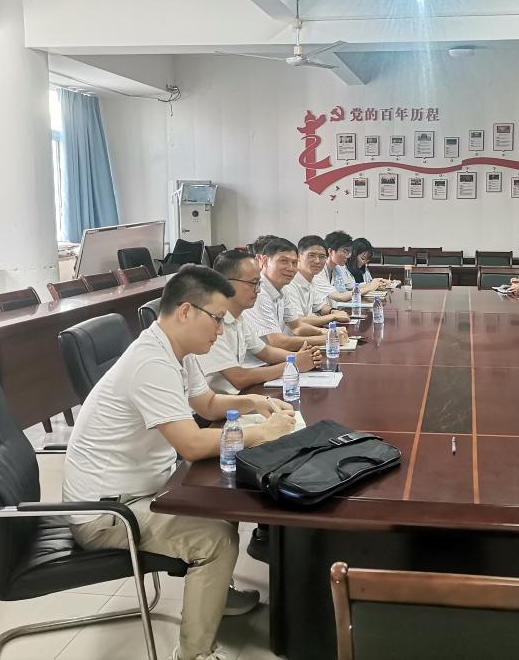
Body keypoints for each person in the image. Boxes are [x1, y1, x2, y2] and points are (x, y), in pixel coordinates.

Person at [62, 265, 296, 660]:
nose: (220, 330)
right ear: (186, 311)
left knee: (223, 498)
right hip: (106, 513)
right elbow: (190, 444)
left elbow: (207, 403)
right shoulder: (150, 362)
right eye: (216, 319)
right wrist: (262, 433)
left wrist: (253, 402)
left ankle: (215, 592)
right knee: (215, 539)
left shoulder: (175, 350)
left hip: (143, 487)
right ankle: (194, 654)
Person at [203, 250, 326, 394]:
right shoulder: (210, 322)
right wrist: (293, 364)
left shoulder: (238, 318)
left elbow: (265, 352)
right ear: (225, 283)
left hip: (238, 396)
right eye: (253, 283)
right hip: (218, 403)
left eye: (259, 283)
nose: (258, 290)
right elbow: (239, 378)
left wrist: (299, 357)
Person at [285, 235, 351, 330]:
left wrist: (333, 311)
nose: (317, 261)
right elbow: (298, 321)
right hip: (295, 337)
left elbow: (320, 306)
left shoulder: (310, 280)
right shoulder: (289, 283)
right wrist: (333, 316)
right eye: (311, 255)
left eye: (322, 257)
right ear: (298, 256)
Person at [313, 230, 387, 304]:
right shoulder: (318, 272)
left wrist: (376, 283)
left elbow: (351, 287)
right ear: (330, 251)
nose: (348, 256)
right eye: (345, 251)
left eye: (349, 252)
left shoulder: (338, 268)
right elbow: (339, 297)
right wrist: (370, 287)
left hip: (337, 308)